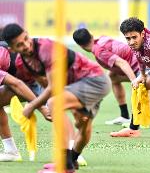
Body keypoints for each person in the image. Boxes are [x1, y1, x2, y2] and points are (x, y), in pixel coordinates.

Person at [2, 23, 111, 173]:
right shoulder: (22, 63)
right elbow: (44, 84)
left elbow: (53, 87)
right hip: (75, 88)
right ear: (12, 49)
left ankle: (64, 165)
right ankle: (72, 160)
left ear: (27, 33)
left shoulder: (45, 47)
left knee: (55, 104)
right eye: (19, 45)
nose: (26, 45)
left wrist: (32, 106)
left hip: (94, 80)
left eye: (26, 39)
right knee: (83, 125)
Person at [72, 28, 139, 125]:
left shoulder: (99, 52)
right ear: (91, 36)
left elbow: (122, 63)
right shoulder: (102, 39)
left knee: (141, 87)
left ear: (80, 45)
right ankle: (124, 116)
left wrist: (135, 81)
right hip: (139, 61)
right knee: (112, 78)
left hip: (142, 67)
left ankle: (139, 121)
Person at [0, 39, 50, 161]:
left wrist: (40, 107)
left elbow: (17, 84)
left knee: (53, 111)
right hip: (24, 78)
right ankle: (11, 151)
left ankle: (73, 153)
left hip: (39, 78)